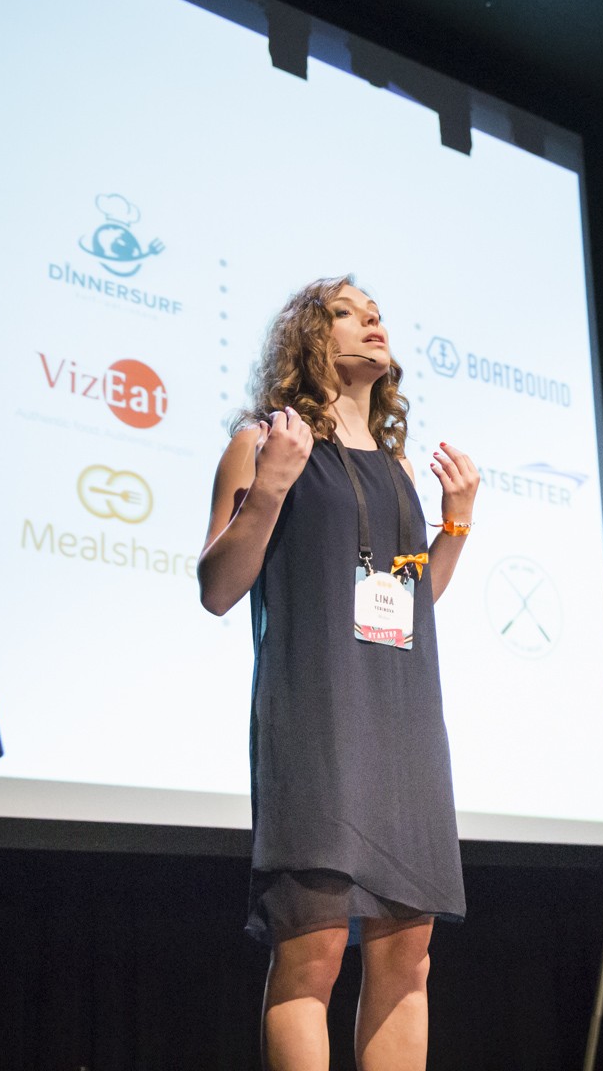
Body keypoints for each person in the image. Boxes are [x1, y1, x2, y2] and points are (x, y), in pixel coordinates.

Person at [199, 275, 479, 1071]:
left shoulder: (395, 465)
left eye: (377, 314)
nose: (372, 322)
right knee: (313, 951)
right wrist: (271, 486)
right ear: (310, 339)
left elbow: (412, 601)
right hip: (319, 722)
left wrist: (456, 525)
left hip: (402, 726)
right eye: (348, 313)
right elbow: (218, 589)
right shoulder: (264, 441)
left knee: (408, 958)